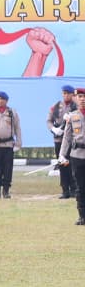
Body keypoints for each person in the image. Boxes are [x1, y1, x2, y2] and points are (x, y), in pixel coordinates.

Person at [58, 87, 85, 225]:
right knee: (79, 187)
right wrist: (62, 155)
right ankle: (82, 216)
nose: (82, 99)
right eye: (80, 96)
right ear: (76, 98)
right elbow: (67, 138)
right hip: (77, 156)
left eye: (84, 96)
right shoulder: (73, 116)